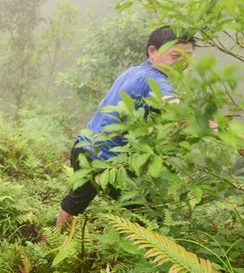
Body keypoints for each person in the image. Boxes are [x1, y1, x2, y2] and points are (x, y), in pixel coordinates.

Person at [56, 26, 195, 230]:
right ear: (152, 51)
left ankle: (54, 241)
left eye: (189, 56)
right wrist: (223, 132)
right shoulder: (155, 80)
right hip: (105, 161)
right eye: (176, 55)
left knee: (76, 199)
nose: (184, 62)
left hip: (83, 147)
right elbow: (177, 110)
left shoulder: (133, 72)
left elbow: (103, 102)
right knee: (150, 214)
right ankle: (148, 257)